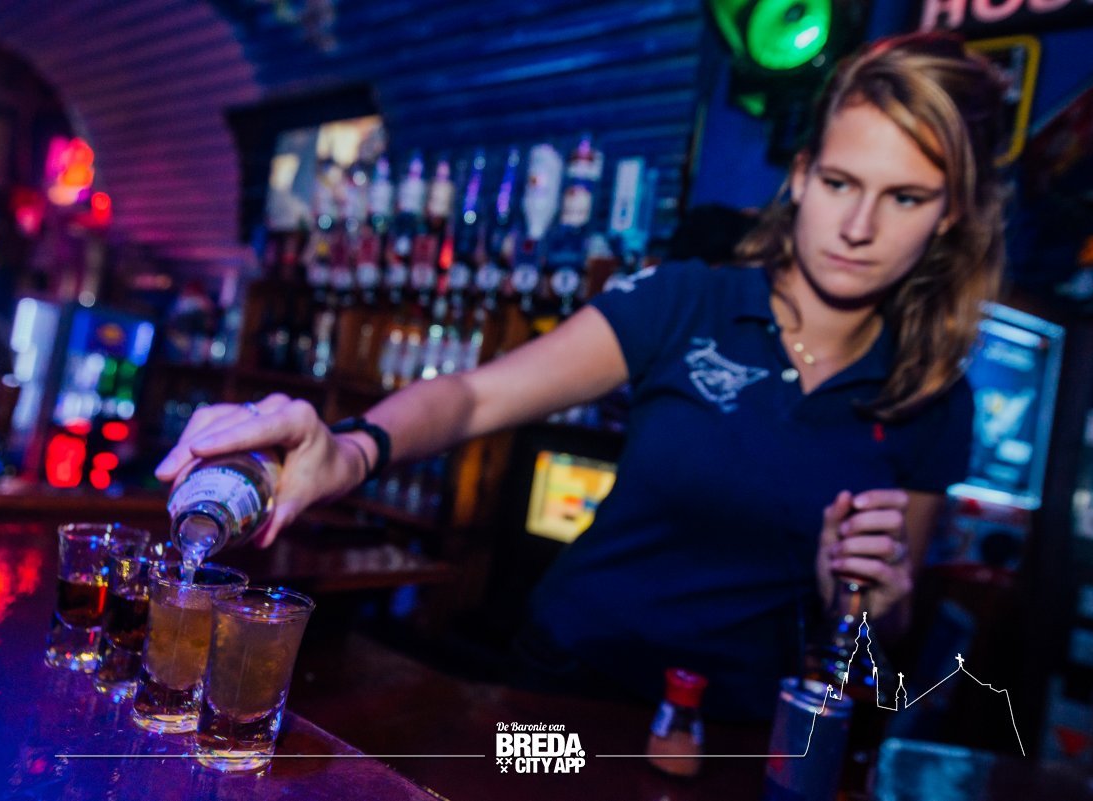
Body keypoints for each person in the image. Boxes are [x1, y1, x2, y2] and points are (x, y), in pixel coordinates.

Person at [157, 32, 1007, 720]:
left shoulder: (932, 396)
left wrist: (860, 602)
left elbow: (882, 634)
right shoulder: (687, 301)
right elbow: (475, 393)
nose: (859, 225)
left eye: (905, 197)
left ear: (948, 217)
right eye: (840, 181)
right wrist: (350, 449)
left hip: (740, 737)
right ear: (800, 176)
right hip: (559, 695)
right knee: (509, 780)